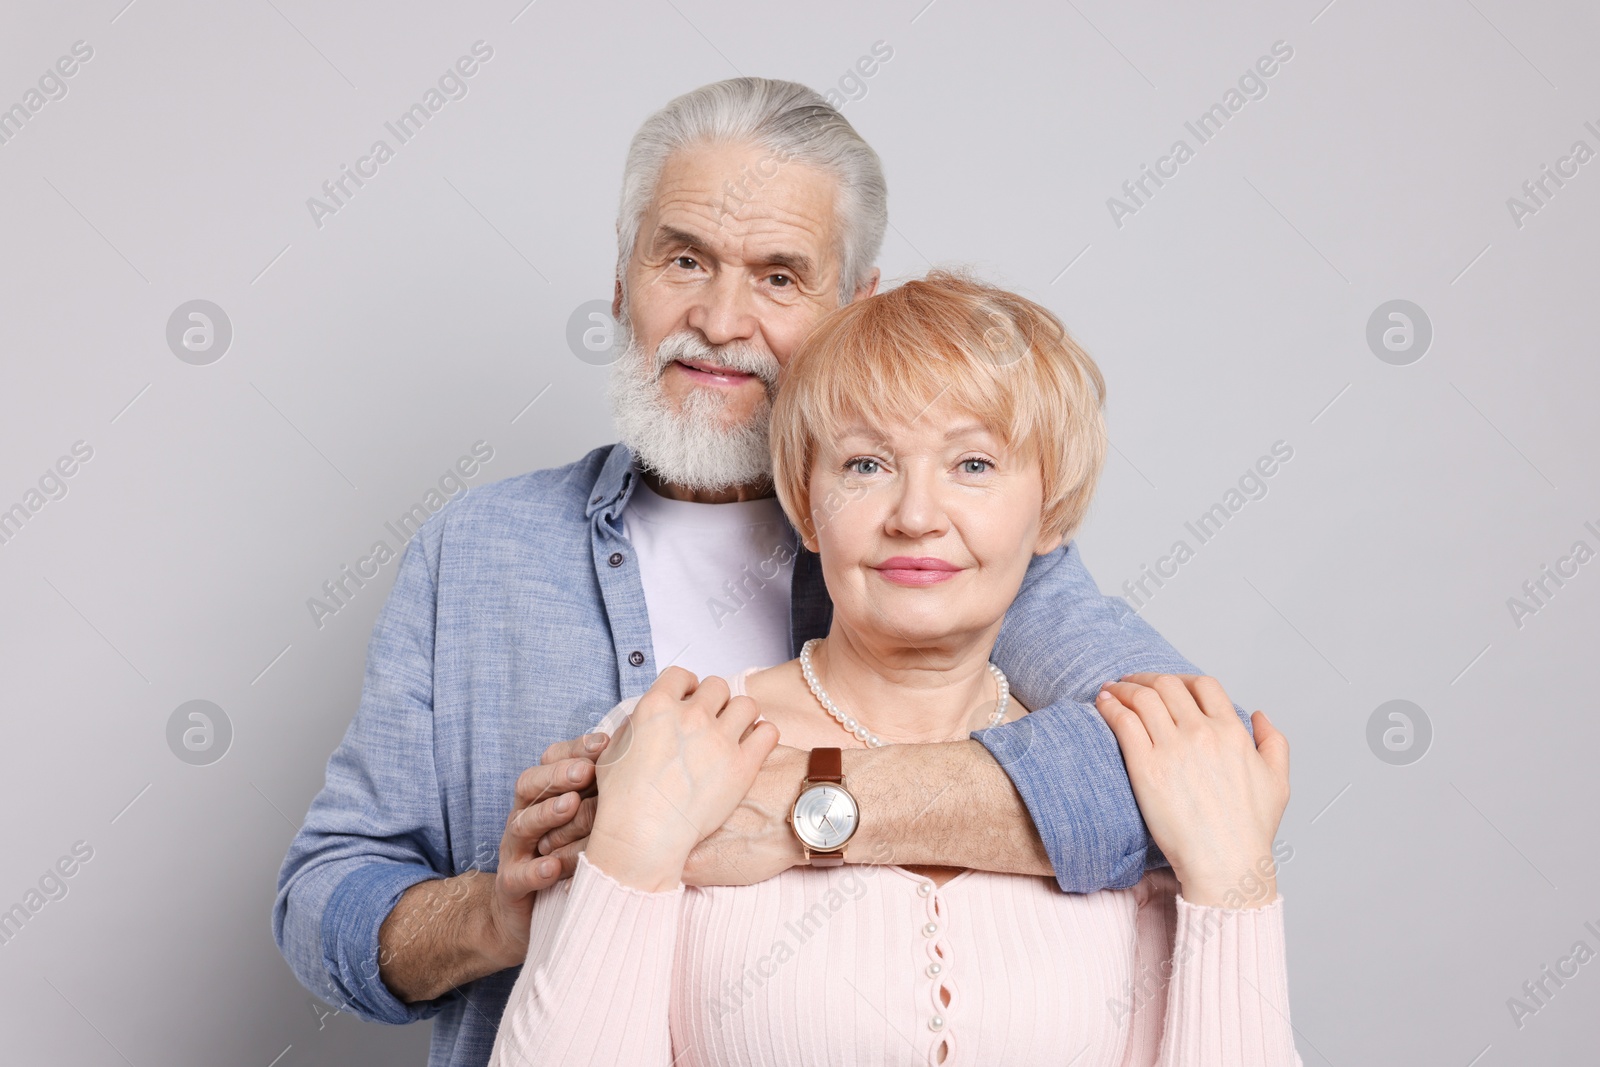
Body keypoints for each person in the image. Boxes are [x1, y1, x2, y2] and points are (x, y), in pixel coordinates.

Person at [274, 77, 1270, 1067]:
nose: (720, 316)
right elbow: (326, 895)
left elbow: (1200, 780)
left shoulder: (936, 555)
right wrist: (503, 910)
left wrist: (787, 808)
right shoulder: (478, 549)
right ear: (623, 281)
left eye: (780, 276)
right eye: (683, 259)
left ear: (852, 306)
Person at [489, 271, 1298, 1066]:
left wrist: (1235, 889)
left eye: (973, 465)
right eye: (866, 465)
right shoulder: (662, 743)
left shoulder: (1148, 776)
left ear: (1052, 509)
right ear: (806, 506)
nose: (915, 515)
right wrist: (628, 855)